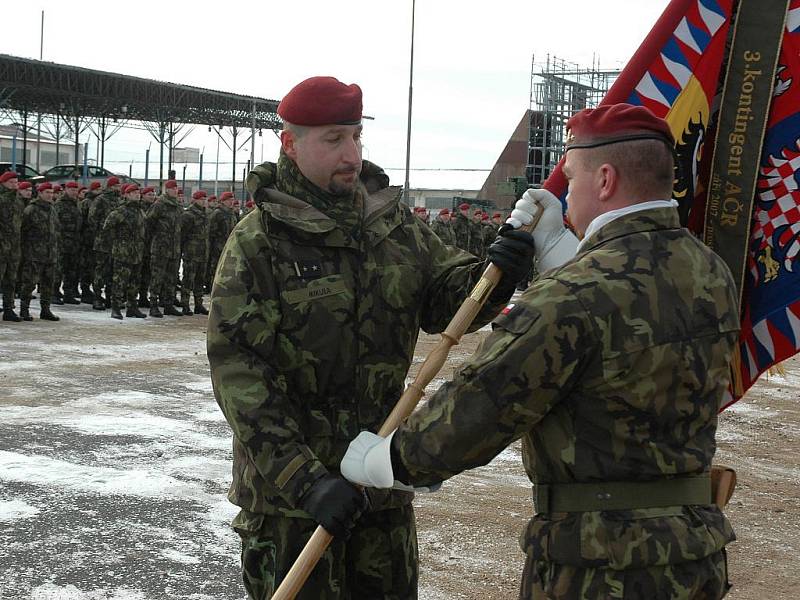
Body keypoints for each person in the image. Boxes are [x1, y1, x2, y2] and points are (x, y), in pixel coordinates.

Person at [341, 103, 739, 600]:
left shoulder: (571, 295)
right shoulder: (710, 271)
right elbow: (629, 331)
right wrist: (564, 260)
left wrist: (393, 460)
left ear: (606, 179)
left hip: (602, 567)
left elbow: (483, 403)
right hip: (694, 552)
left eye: (571, 179)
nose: (566, 194)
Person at [206, 75, 536, 600]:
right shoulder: (259, 242)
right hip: (293, 505)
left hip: (379, 486)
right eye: (333, 139)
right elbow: (240, 373)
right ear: (290, 144)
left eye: (356, 136)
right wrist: (304, 479)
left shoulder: (393, 226)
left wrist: (497, 273)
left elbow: (447, 299)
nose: (351, 154)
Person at [98, 183, 146, 319]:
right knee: (119, 281)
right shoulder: (121, 211)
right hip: (123, 252)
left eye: (138, 192)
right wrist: (118, 241)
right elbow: (107, 227)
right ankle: (116, 308)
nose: (137, 195)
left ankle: (132, 307)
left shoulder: (140, 211)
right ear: (127, 195)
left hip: (137, 252)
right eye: (134, 193)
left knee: (135, 281)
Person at [19, 182, 61, 322]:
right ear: (40, 193)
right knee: (29, 282)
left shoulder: (52, 209)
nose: (50, 195)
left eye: (51, 192)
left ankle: (45, 309)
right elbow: (23, 231)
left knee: (48, 282)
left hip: (50, 253)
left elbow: (56, 230)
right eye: (47, 192)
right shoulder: (31, 209)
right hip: (34, 253)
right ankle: (24, 309)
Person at [146, 179, 182, 317]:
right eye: (173, 188)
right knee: (157, 277)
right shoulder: (159, 204)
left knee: (171, 278)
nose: (175, 190)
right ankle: (153, 305)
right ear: (166, 190)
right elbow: (149, 222)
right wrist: (158, 238)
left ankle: (168, 304)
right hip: (161, 248)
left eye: (176, 188)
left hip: (174, 248)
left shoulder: (178, 206)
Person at [89, 176, 123, 310]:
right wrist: (102, 231)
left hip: (117, 243)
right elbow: (92, 219)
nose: (118, 188)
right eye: (116, 186)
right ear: (110, 187)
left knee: (114, 272)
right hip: (103, 241)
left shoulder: (120, 201)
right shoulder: (100, 200)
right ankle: (97, 297)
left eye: (119, 186)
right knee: (101, 271)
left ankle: (111, 298)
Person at [0, 171, 26, 321]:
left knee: (11, 279)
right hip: (1, 245)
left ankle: (9, 309)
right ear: (3, 183)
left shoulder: (18, 201)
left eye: (16, 182)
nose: (15, 185)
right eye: (11, 182)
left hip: (14, 246)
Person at [179, 190, 210, 316]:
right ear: (195, 200)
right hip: (191, 253)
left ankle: (198, 304)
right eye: (201, 199)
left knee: (199, 280)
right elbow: (183, 234)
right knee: (188, 280)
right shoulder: (189, 215)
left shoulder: (206, 214)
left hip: (203, 253)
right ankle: (185, 304)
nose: (204, 201)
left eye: (205, 199)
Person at [53, 180, 83, 304]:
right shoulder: (59, 204)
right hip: (62, 242)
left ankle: (68, 293)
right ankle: (53, 293)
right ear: (66, 190)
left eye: (76, 190)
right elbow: (54, 223)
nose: (74, 192)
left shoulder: (77, 204)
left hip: (74, 242)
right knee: (58, 269)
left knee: (71, 270)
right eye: (71, 189)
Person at [78, 181, 103, 303]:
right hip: (87, 239)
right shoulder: (86, 203)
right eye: (97, 190)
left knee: (94, 266)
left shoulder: (99, 202)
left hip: (96, 239)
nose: (99, 192)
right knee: (86, 266)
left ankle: (90, 290)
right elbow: (82, 220)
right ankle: (85, 289)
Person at [138, 186, 157, 308]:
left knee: (147, 273)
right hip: (141, 245)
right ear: (143, 195)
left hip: (151, 245)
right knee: (138, 273)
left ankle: (144, 297)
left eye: (153, 194)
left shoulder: (155, 208)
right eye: (149, 194)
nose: (152, 196)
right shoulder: (139, 208)